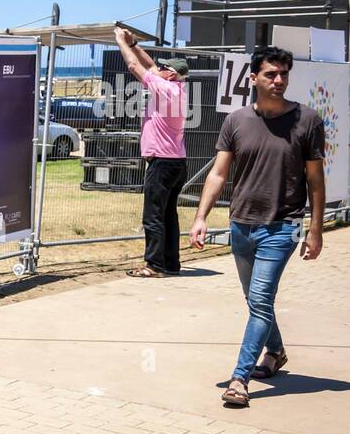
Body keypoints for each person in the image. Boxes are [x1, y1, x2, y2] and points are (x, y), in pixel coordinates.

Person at [189, 46, 325, 408]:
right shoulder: (236, 121)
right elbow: (219, 173)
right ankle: (276, 352)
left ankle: (239, 378)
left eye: (283, 74)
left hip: (283, 227)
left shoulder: (307, 120)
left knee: (261, 301)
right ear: (254, 78)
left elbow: (315, 180)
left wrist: (315, 229)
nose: (278, 80)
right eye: (270, 74)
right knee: (256, 302)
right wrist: (201, 217)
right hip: (240, 226)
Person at [114, 26, 189, 277]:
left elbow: (135, 67)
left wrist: (120, 42)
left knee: (153, 215)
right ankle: (170, 263)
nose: (159, 69)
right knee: (169, 215)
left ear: (171, 75)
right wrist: (133, 42)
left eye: (164, 68)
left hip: (163, 162)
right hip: (177, 161)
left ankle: (154, 265)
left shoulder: (165, 89)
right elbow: (151, 66)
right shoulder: (177, 88)